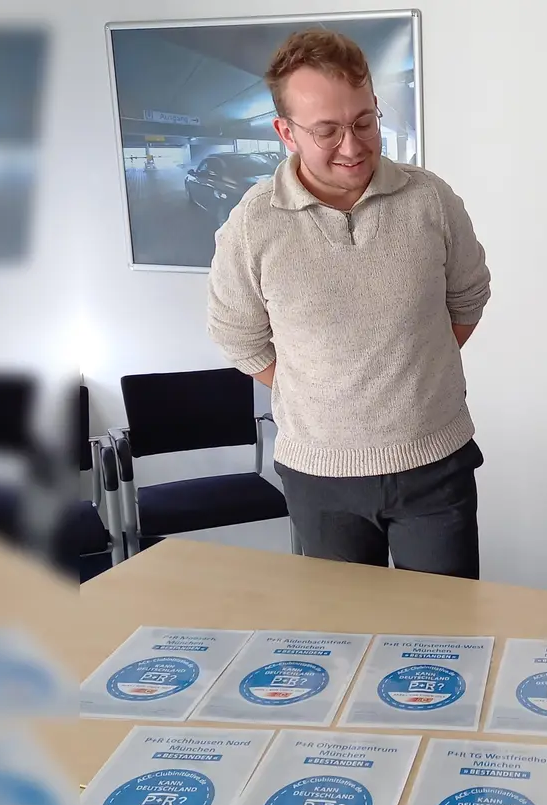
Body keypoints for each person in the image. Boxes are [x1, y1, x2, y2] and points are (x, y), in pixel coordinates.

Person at [208, 29, 491, 579]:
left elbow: (468, 297)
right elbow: (237, 335)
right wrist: (327, 385)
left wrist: (406, 370)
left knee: (446, 638)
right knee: (340, 645)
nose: (353, 145)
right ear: (285, 132)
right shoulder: (253, 223)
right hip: (320, 476)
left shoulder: (430, 198)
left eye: (364, 121)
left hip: (435, 464)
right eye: (327, 131)